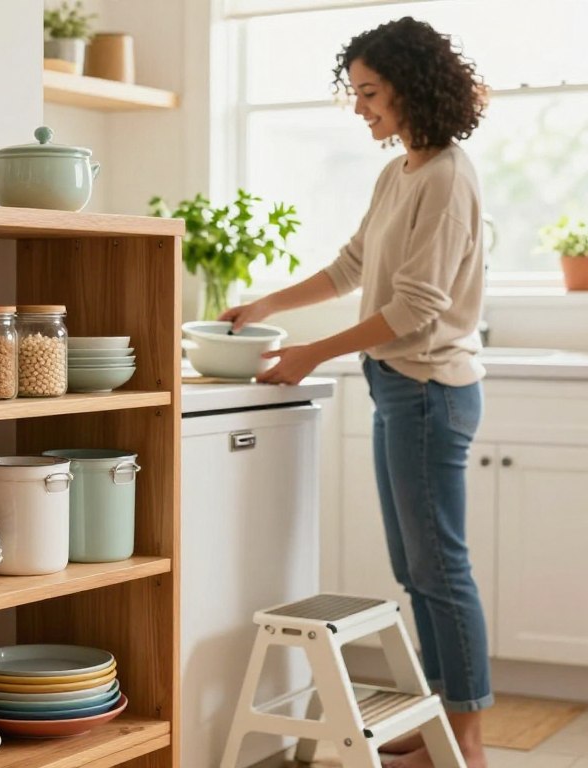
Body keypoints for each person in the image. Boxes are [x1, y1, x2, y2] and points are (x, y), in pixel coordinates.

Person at [221, 16, 491, 768]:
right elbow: (351, 265)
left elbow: (416, 308)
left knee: (441, 571)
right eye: (357, 93)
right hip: (399, 388)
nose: (360, 107)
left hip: (430, 393)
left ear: (412, 89)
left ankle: (465, 744)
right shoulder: (400, 171)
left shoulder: (446, 177)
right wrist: (268, 305)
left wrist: (309, 353)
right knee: (417, 571)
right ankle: (443, 727)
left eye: (370, 93)